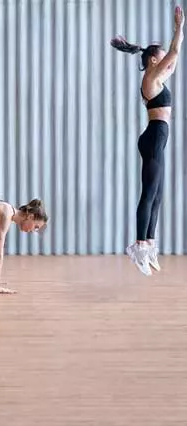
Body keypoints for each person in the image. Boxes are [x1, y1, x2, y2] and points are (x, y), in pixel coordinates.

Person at [110, 5, 184, 275]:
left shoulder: (158, 77)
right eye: (162, 58)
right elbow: (174, 54)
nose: (167, 62)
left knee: (158, 195)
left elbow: (174, 59)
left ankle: (149, 243)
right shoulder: (150, 77)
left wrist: (179, 33)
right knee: (149, 193)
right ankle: (138, 245)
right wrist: (179, 28)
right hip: (153, 138)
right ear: (154, 60)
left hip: (157, 138)